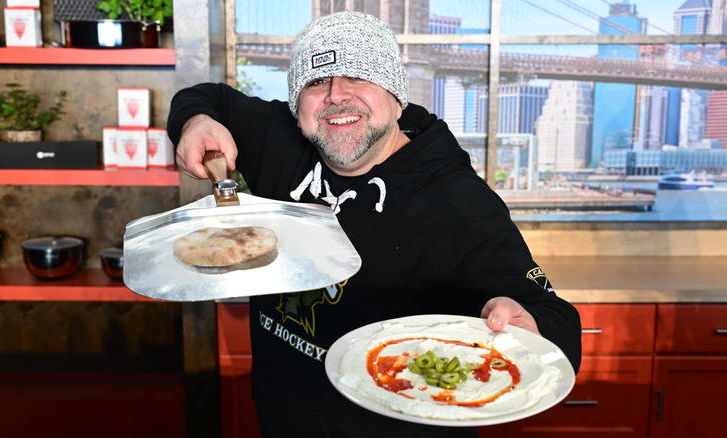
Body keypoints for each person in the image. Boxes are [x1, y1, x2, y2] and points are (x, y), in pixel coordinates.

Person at [167, 11, 581, 438]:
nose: (335, 95)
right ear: (297, 104)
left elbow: (556, 319)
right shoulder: (280, 137)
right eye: (315, 82)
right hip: (280, 416)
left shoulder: (458, 203)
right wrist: (195, 121)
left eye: (358, 77)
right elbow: (206, 96)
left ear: (395, 96)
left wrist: (528, 323)